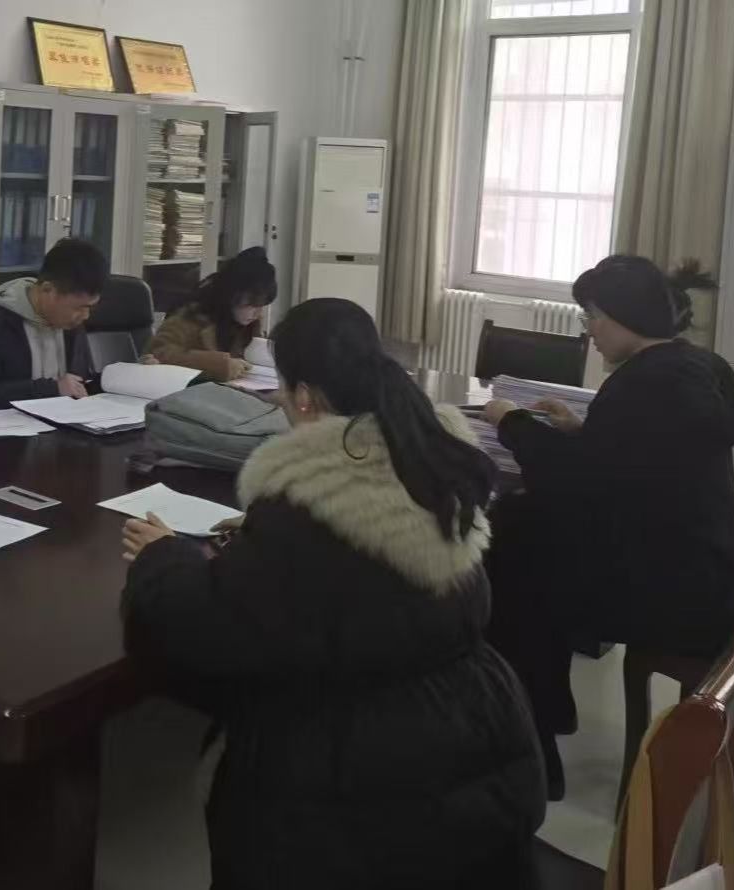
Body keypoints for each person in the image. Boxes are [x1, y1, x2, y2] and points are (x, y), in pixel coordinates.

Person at [119, 298, 546, 889]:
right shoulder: (426, 456)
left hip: (350, 783)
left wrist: (162, 556)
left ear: (302, 396)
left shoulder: (306, 505)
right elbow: (364, 567)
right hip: (476, 735)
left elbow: (207, 630)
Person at [481, 255, 734, 799]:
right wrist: (582, 428)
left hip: (663, 592)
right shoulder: (698, 367)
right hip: (705, 569)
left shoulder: (645, 385)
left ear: (622, 316)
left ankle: (533, 746)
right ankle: (550, 706)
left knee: (510, 563)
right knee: (527, 531)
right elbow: (643, 460)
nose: (589, 330)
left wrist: (510, 421)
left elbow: (575, 480)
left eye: (592, 316)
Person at [0, 238, 105, 410]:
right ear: (48, 290)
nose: (85, 316)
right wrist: (50, 389)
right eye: (79, 307)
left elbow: (78, 382)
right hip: (6, 424)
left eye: (90, 307)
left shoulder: (70, 324)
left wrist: (107, 380)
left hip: (63, 420)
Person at [145, 246, 276, 380]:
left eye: (262, 305)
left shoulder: (250, 322)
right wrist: (218, 366)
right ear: (232, 296)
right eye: (252, 305)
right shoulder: (190, 316)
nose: (258, 313)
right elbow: (158, 353)